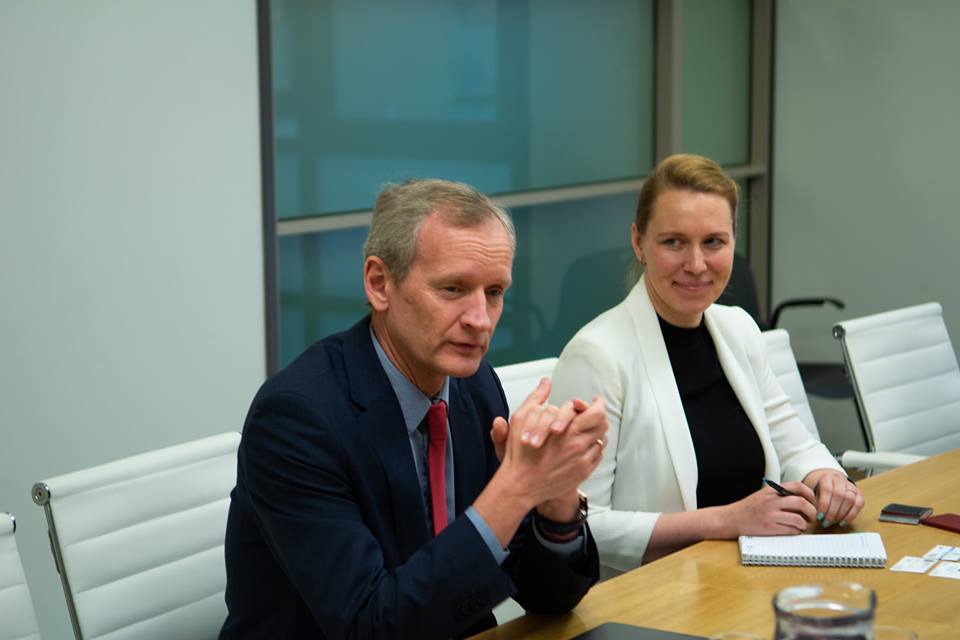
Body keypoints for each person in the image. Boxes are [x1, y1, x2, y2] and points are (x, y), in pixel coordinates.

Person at [220, 178, 607, 639]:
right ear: (379, 284)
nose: (480, 320)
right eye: (453, 289)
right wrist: (516, 488)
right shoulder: (296, 419)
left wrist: (555, 498)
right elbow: (371, 626)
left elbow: (549, 596)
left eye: (494, 292)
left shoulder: (474, 386)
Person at [550, 154, 865, 573]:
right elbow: (581, 525)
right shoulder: (597, 355)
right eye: (673, 242)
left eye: (714, 242)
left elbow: (796, 444)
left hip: (750, 574)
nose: (696, 265)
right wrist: (727, 520)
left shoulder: (739, 329)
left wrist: (827, 478)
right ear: (639, 243)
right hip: (656, 592)